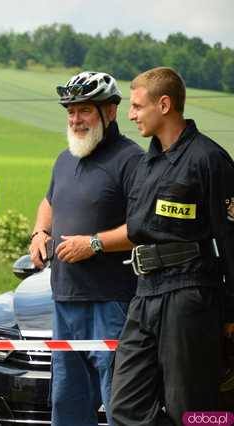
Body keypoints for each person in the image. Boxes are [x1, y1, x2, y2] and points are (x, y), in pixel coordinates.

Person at [111, 67, 234, 425]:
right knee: (124, 406)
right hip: (145, 292)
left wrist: (230, 313)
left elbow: (230, 241)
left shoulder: (208, 159)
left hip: (190, 294)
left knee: (192, 410)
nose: (131, 115)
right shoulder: (146, 163)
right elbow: (138, 228)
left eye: (137, 106)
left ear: (164, 104)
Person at [28, 72, 143, 426]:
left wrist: (93, 244)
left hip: (111, 300)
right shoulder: (66, 158)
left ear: (110, 112)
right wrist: (39, 231)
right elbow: (50, 200)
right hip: (64, 297)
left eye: (84, 111)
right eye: (70, 112)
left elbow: (144, 229)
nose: (75, 120)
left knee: (117, 401)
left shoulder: (132, 160)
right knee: (68, 403)